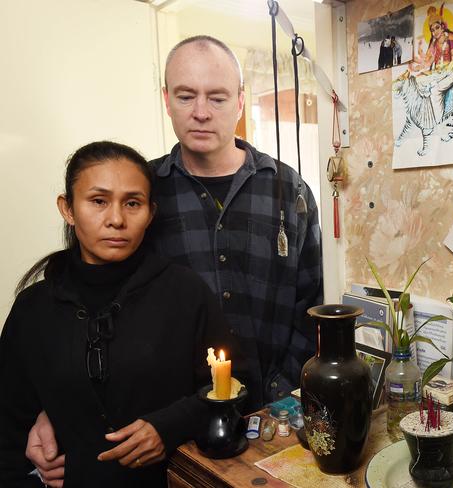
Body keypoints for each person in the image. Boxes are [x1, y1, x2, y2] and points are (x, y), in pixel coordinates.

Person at [27, 36, 322, 486]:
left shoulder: (289, 191)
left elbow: (311, 308)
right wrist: (60, 404)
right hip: (162, 435)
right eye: (186, 95)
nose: (201, 111)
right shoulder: (138, 192)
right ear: (167, 100)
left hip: (270, 421)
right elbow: (86, 307)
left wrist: (276, 400)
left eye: (217, 97)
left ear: (240, 101)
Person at [0, 141, 247, 487]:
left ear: (150, 212)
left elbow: (237, 381)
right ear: (68, 209)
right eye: (98, 201)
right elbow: (9, 431)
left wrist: (169, 426)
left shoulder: (184, 292)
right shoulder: (33, 310)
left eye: (133, 203)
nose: (116, 219)